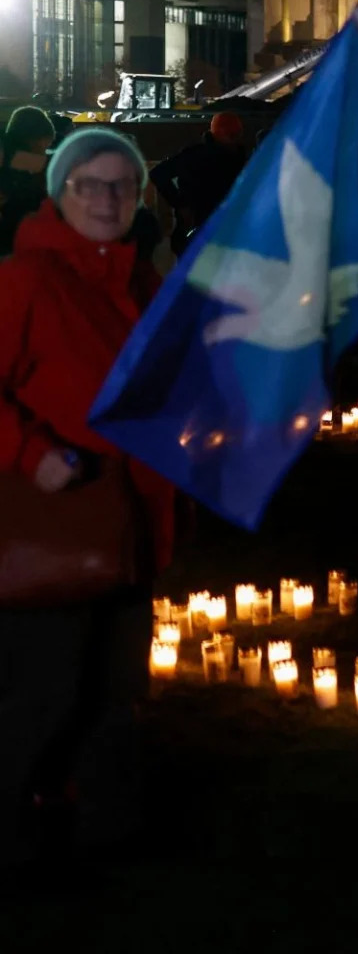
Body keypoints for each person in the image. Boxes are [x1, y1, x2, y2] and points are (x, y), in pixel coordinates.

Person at [0, 128, 175, 871]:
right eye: (89, 185)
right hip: (56, 528)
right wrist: (31, 454)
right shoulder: (25, 280)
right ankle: (16, 836)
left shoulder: (140, 286)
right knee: (44, 695)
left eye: (122, 186)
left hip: (130, 523)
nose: (107, 199)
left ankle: (105, 834)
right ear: (58, 193)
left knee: (115, 690)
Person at [151, 111, 250, 251]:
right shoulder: (197, 157)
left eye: (236, 134)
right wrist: (181, 205)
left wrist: (180, 204)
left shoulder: (238, 158)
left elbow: (159, 174)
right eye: (231, 134)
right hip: (202, 225)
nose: (234, 139)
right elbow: (158, 174)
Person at [0, 107, 58, 255]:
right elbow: (46, 163)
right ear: (34, 139)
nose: (43, 150)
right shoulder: (9, 154)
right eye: (44, 145)